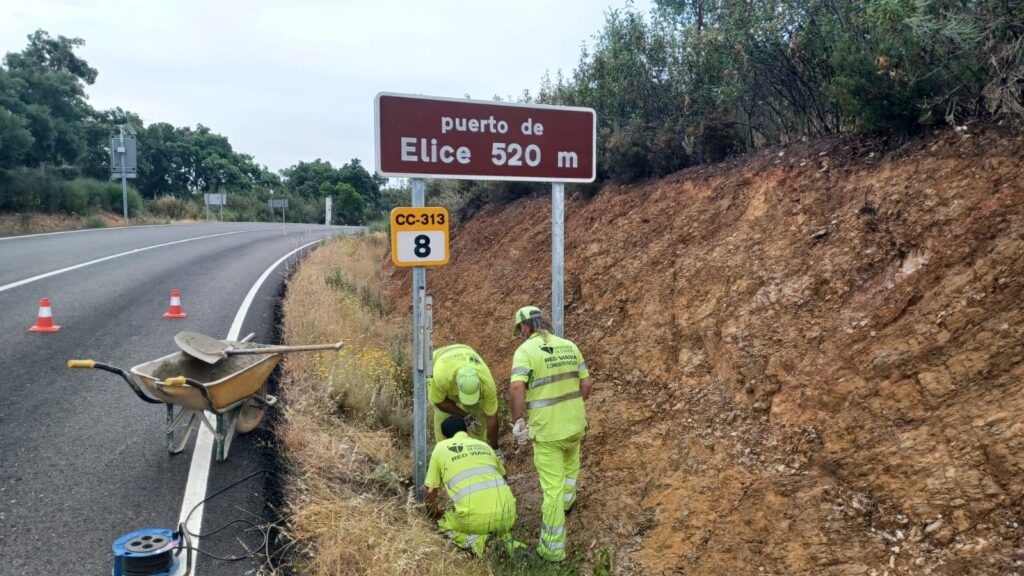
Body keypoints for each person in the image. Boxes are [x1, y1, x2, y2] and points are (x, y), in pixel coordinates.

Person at [508, 306, 593, 562]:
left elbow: (516, 387)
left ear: (525, 327)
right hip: (575, 425)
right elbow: (586, 383)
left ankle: (552, 550)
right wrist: (574, 407)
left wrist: (517, 421)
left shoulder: (525, 351)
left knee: (552, 489)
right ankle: (568, 505)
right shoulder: (569, 345)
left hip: (548, 432)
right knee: (571, 471)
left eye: (520, 330)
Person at [424, 416, 524, 558]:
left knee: (443, 524)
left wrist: (433, 513)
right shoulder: (484, 445)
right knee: (498, 528)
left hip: (474, 520)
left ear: (443, 437)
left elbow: (430, 490)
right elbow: (504, 477)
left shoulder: (441, 448)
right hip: (507, 515)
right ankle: (512, 546)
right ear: (466, 431)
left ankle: (481, 543)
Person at [428, 343, 500, 449]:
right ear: (456, 386)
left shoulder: (487, 384)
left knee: (477, 419)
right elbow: (440, 402)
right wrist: (465, 415)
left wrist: (494, 447)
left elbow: (492, 417)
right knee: (443, 421)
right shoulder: (440, 378)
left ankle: (478, 449)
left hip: (466, 351)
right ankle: (444, 452)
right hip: (439, 360)